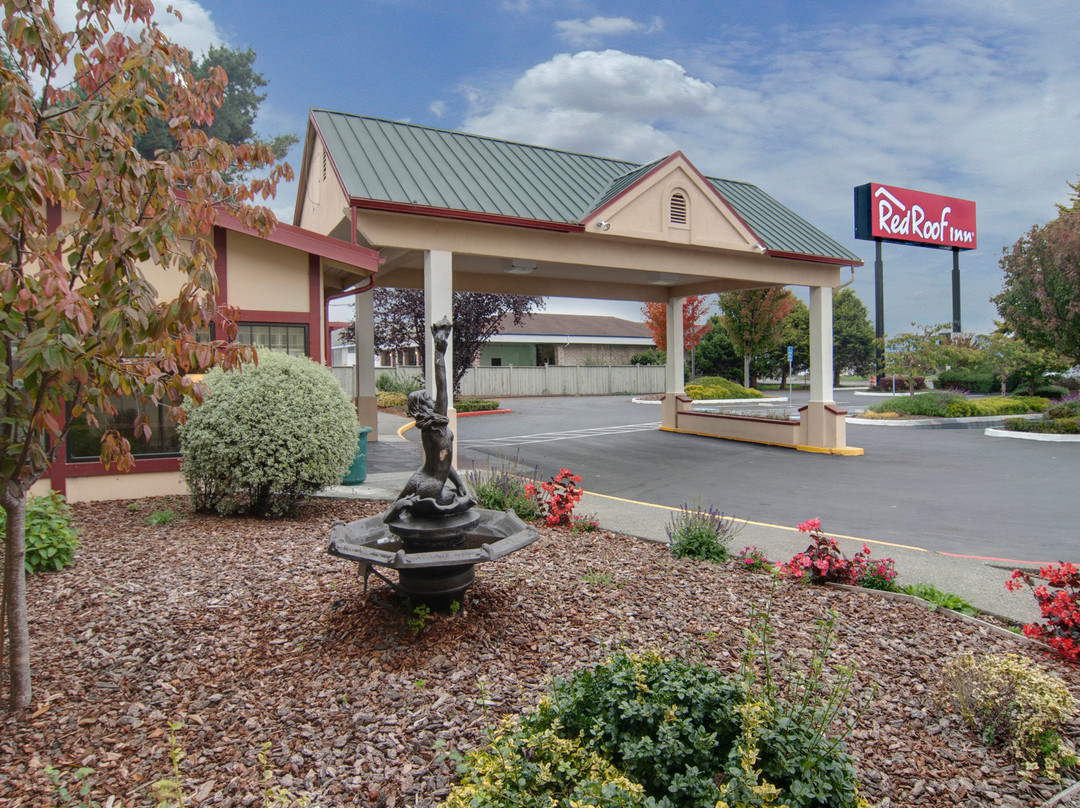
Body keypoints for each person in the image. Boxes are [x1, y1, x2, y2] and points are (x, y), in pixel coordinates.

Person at [384, 317, 476, 523]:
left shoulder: (430, 427)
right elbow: (442, 384)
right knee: (445, 503)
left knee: (393, 514)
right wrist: (439, 353)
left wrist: (459, 482)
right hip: (432, 483)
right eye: (428, 399)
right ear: (422, 406)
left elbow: (441, 462)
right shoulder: (436, 424)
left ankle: (404, 508)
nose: (433, 399)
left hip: (422, 476)